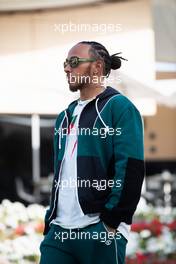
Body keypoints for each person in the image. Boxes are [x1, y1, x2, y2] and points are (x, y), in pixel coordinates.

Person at [39, 41, 145, 264]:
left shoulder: (120, 108)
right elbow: (61, 174)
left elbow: (131, 169)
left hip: (100, 230)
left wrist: (111, 220)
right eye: (66, 63)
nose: (67, 68)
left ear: (97, 67)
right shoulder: (64, 117)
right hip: (59, 232)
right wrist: (50, 220)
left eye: (74, 62)